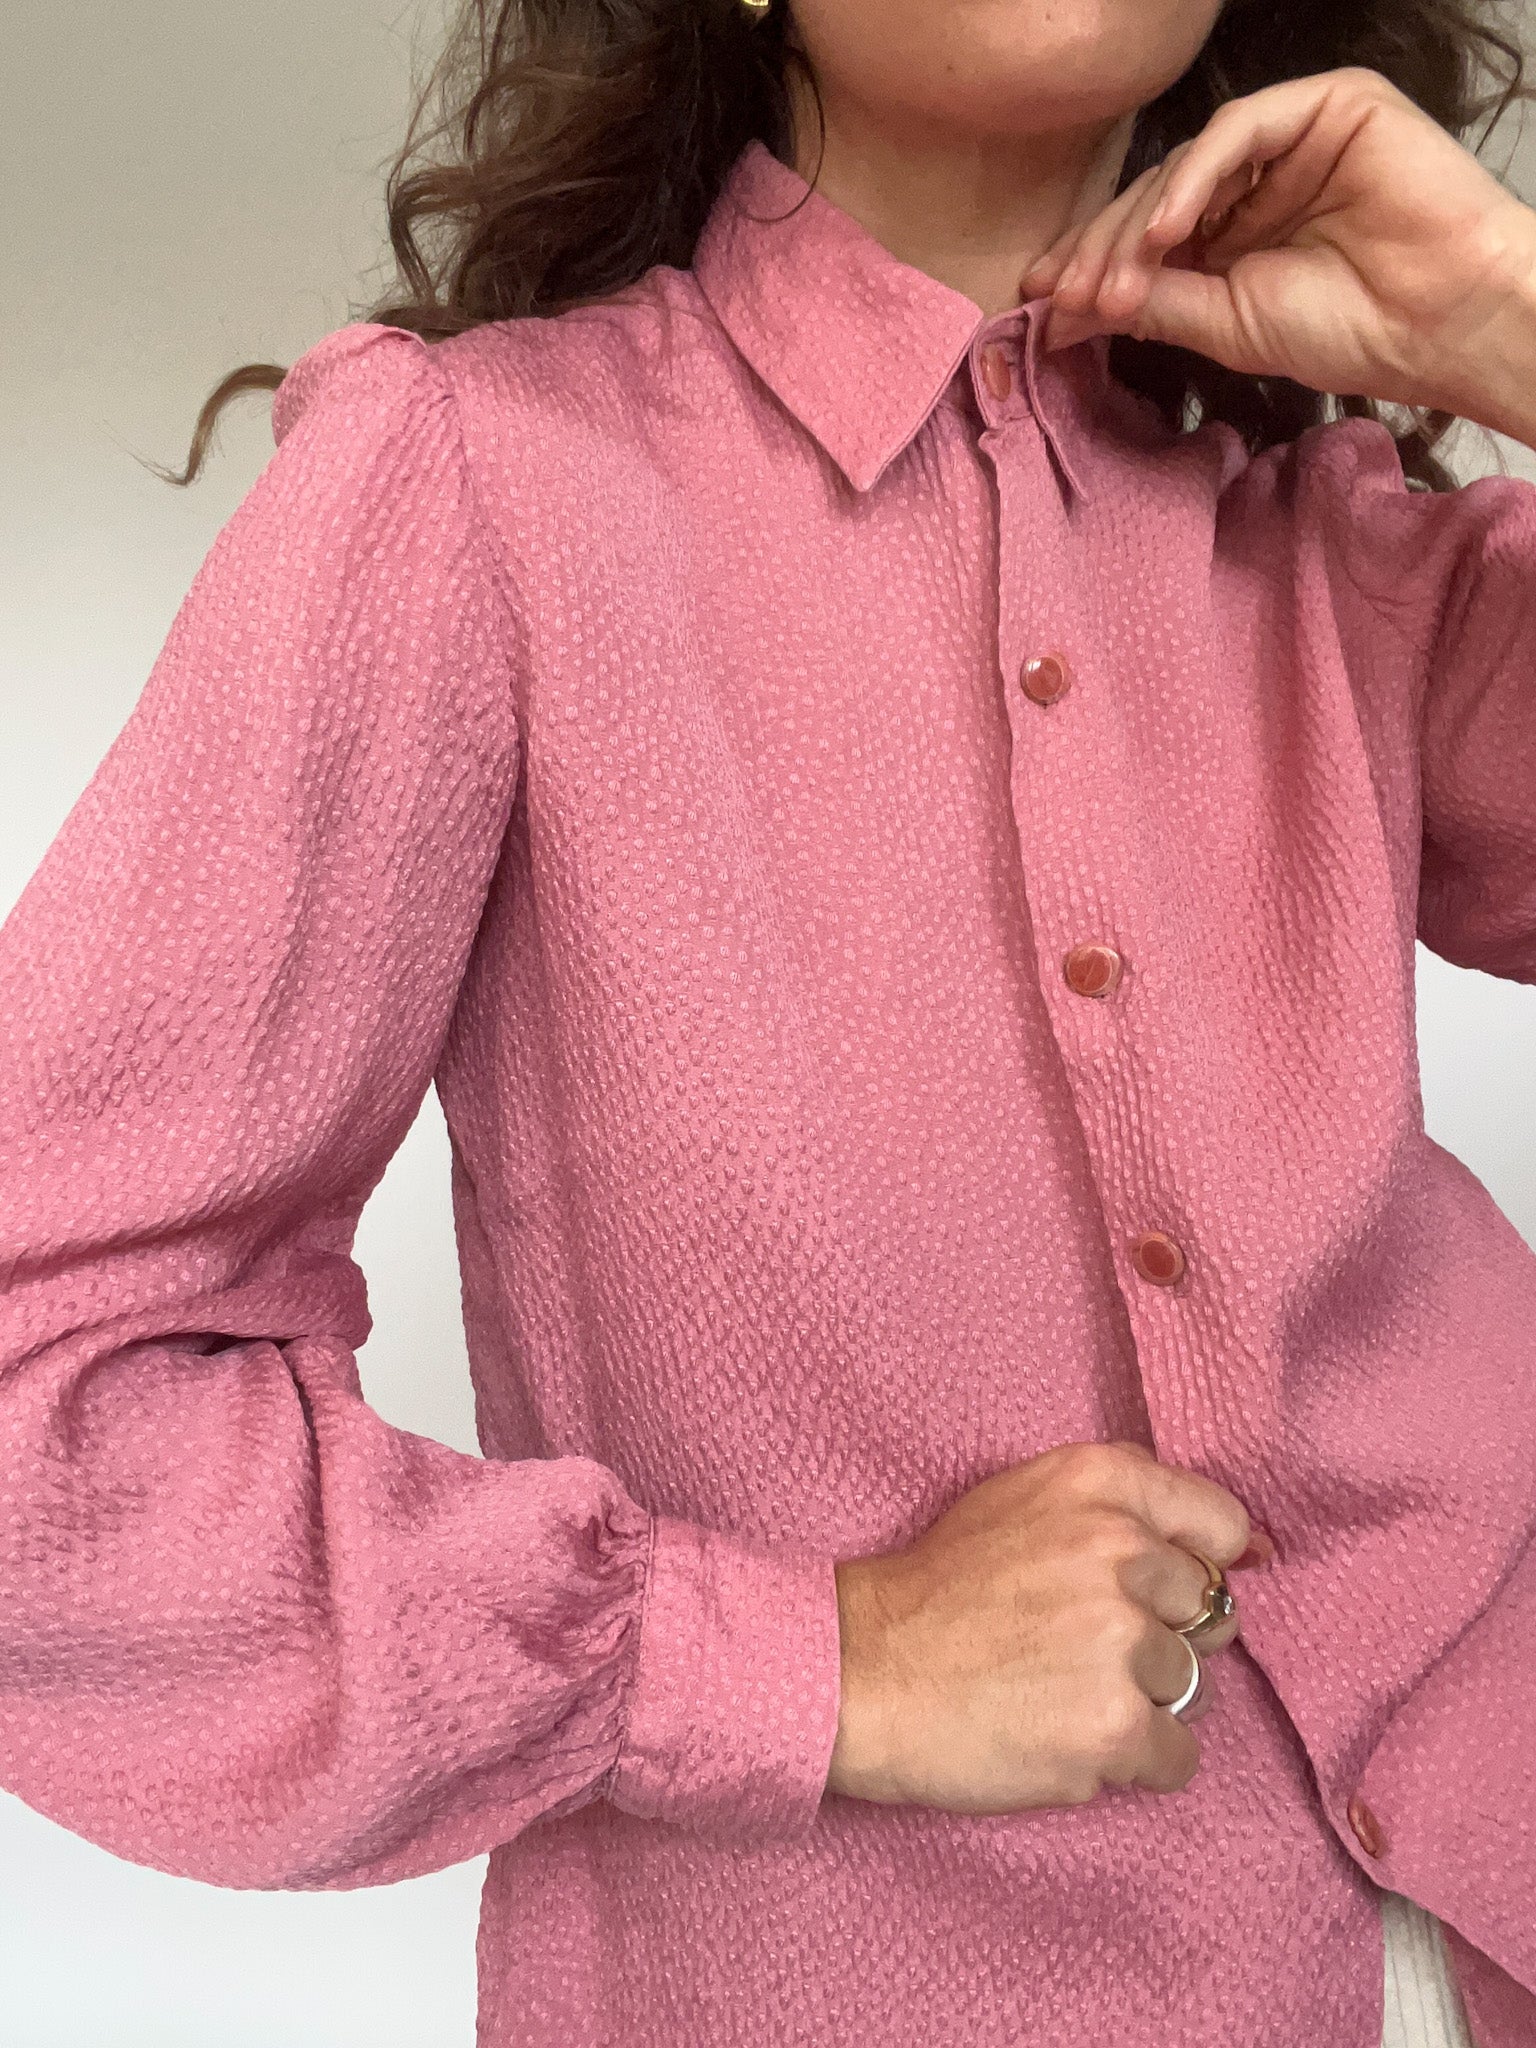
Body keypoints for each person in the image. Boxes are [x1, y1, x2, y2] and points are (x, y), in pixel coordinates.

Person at [3, 1, 1535, 2043]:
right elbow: (44, 1399)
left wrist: (1517, 329)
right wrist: (817, 1661)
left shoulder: (1339, 543)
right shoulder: (478, 491)